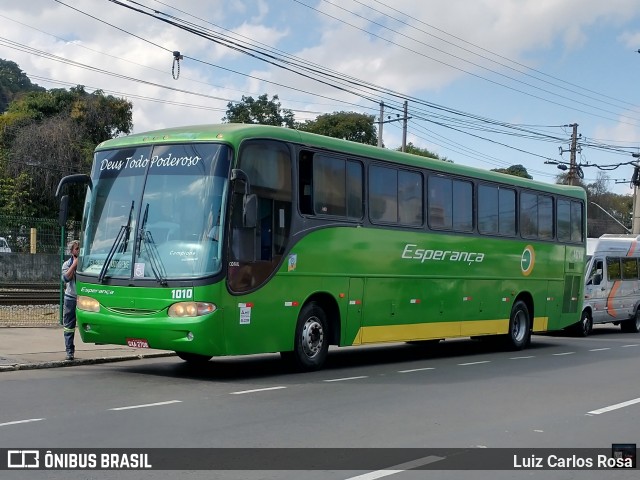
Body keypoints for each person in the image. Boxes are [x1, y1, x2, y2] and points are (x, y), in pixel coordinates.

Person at [61, 240, 79, 361]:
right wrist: (74, 265)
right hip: (71, 297)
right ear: (72, 251)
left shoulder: (88, 263)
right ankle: (69, 351)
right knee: (69, 325)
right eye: (77, 249)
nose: (79, 251)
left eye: (80, 248)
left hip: (84, 298)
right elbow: (66, 278)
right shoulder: (67, 264)